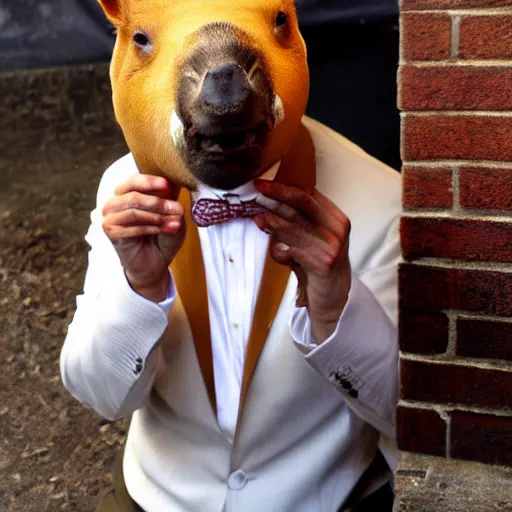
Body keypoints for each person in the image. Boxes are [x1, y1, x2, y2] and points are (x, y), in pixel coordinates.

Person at [60, 116, 400, 511]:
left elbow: (404, 415)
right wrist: (139, 287)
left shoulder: (381, 199)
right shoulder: (128, 189)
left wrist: (335, 307)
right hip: (153, 498)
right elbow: (96, 393)